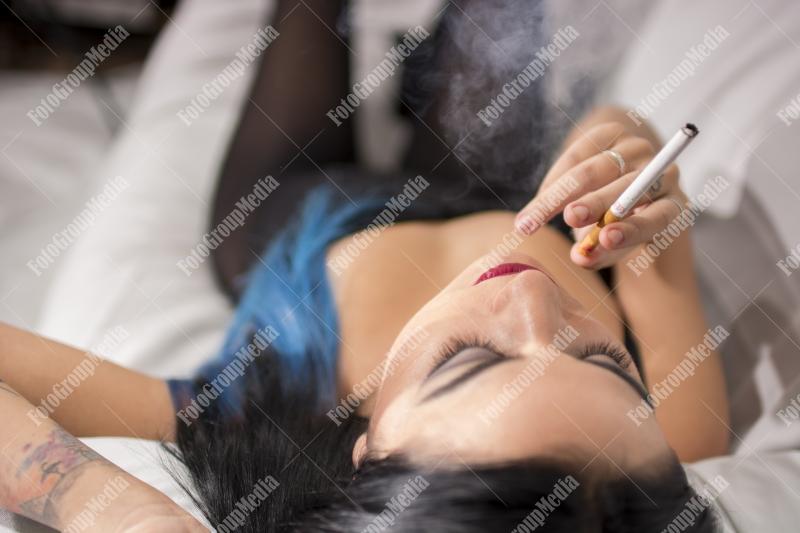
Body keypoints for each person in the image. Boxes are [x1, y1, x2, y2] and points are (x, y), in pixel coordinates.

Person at [0, 1, 728, 531]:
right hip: (492, 193)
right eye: (603, 360)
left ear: (366, 451)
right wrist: (621, 159)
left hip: (293, 208)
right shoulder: (672, 439)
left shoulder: (252, 416)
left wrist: (119, 511)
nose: (534, 298)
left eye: (468, 360)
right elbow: (636, 141)